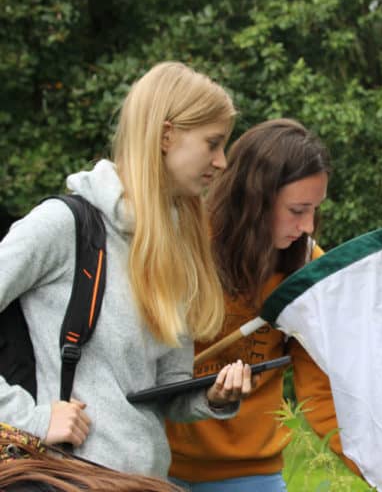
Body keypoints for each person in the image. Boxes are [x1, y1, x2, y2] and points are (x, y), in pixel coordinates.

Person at [0, 61, 252, 477]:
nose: (223, 161)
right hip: (67, 479)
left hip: (144, 480)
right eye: (213, 143)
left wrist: (215, 396)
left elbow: (164, 389)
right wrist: (31, 418)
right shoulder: (63, 226)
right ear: (167, 135)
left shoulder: (176, 245)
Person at [165, 118, 361, 492]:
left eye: (314, 211)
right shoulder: (181, 244)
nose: (307, 227)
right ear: (254, 201)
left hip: (251, 474)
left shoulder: (306, 268)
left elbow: (322, 392)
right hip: (156, 468)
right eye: (297, 210)